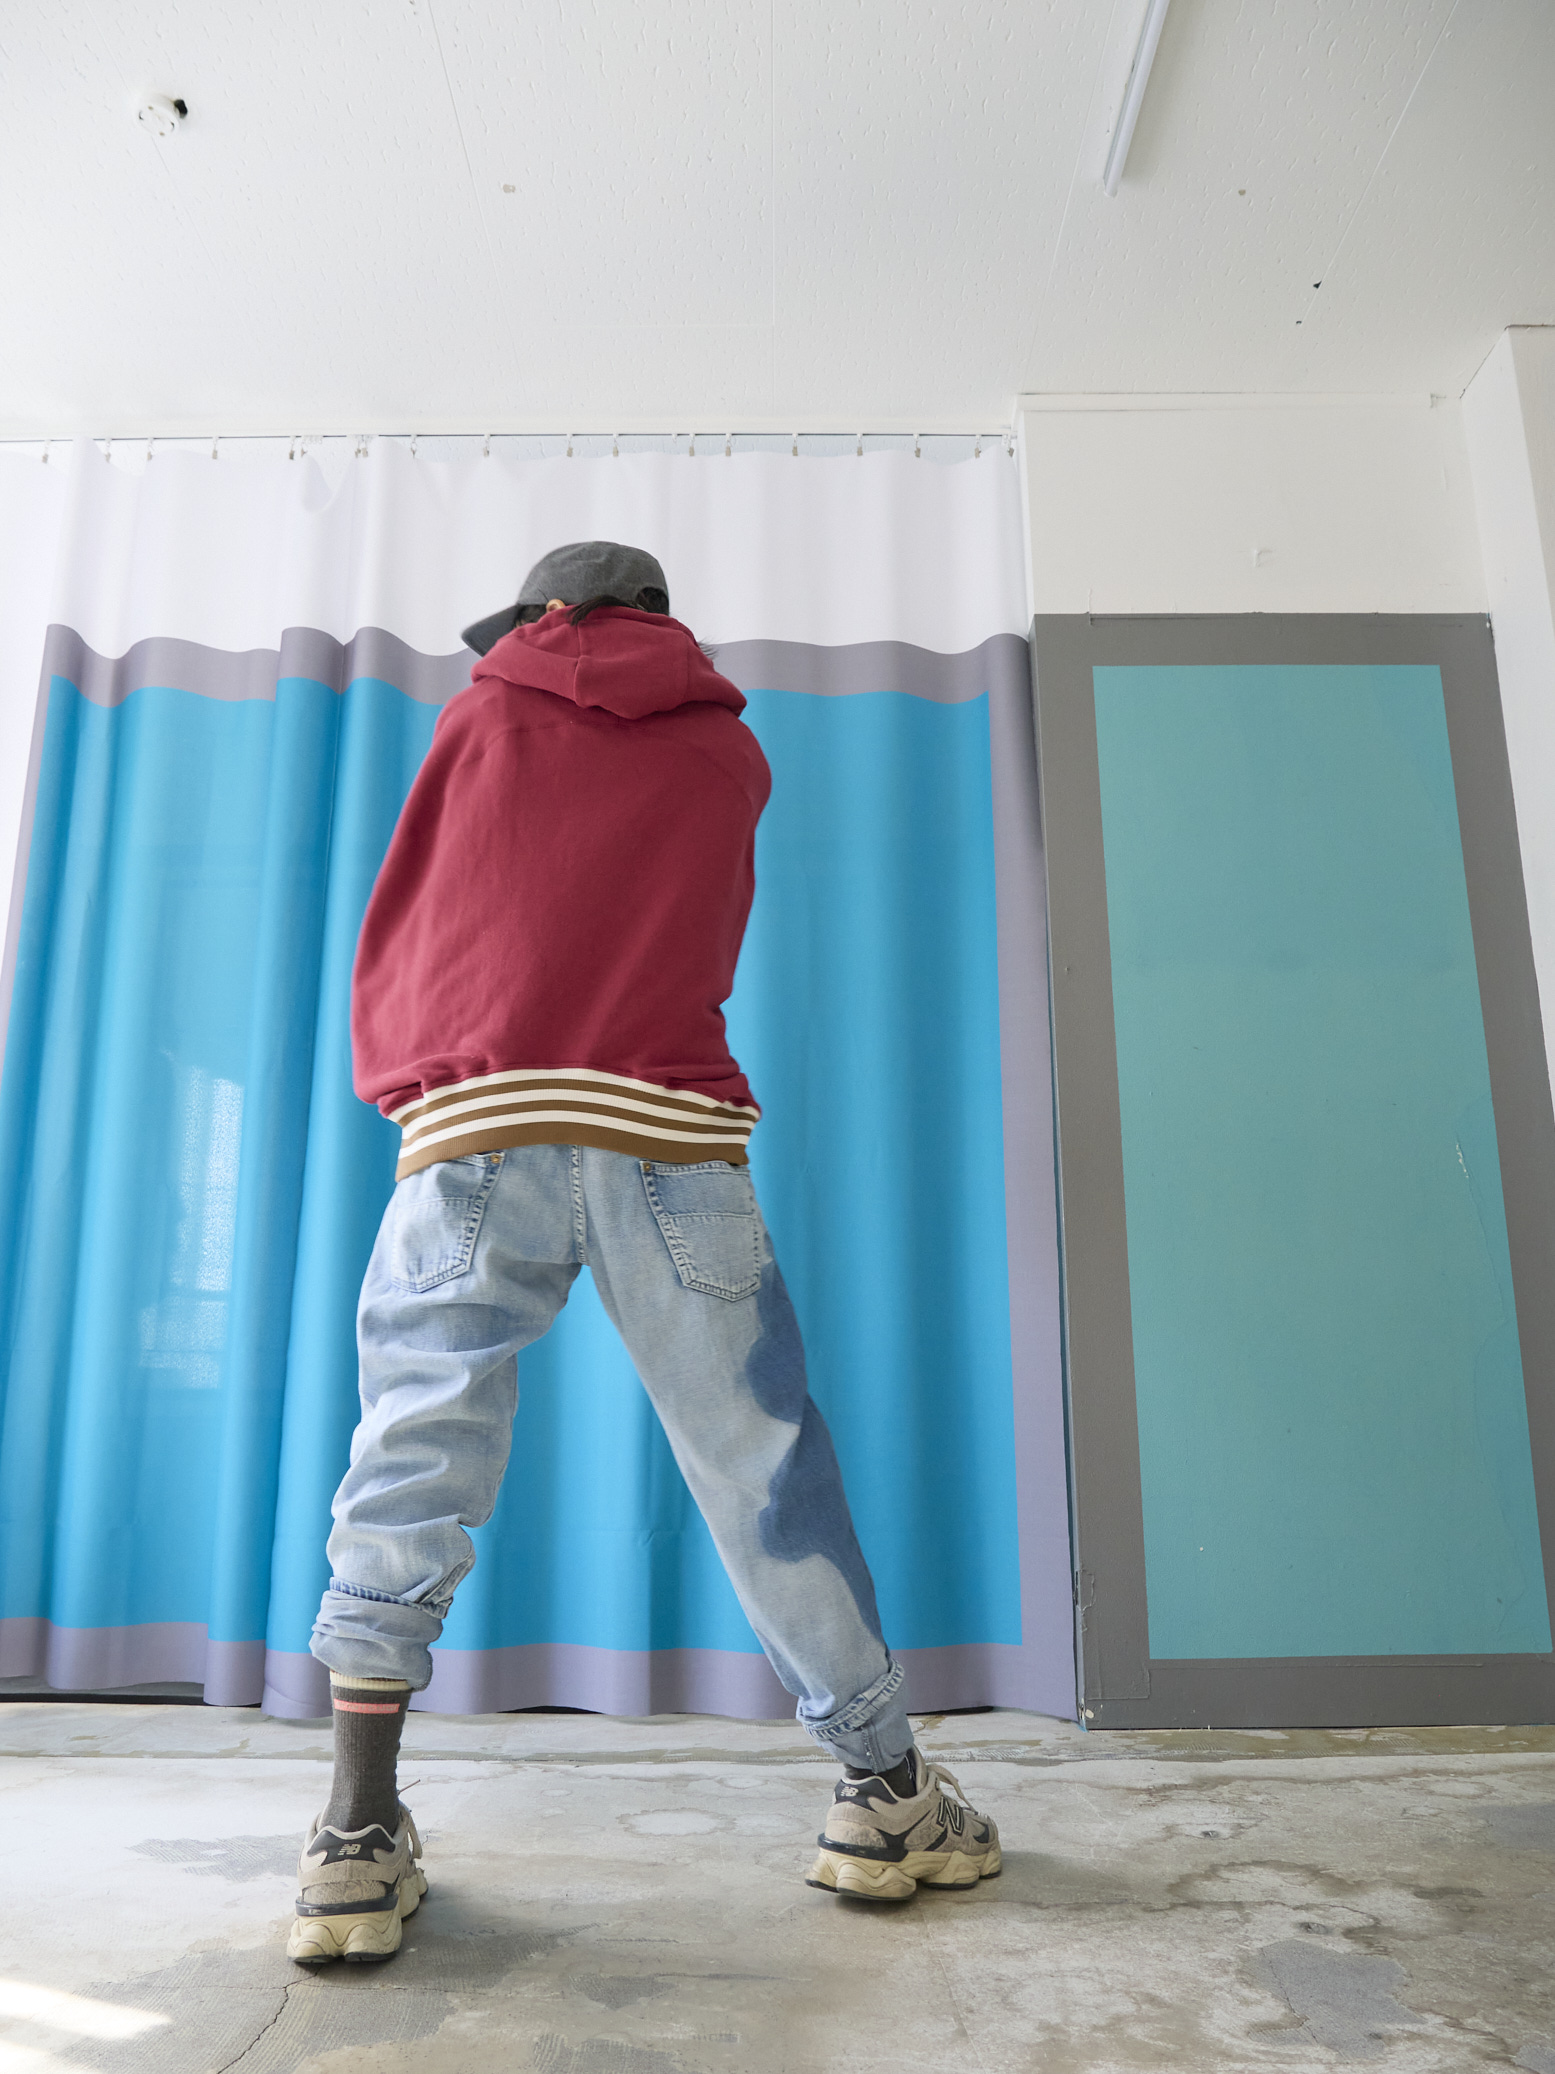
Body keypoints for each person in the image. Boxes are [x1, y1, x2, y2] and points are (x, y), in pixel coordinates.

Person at [288, 541, 999, 1965]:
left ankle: (355, 1837)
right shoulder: (729, 749)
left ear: (544, 616)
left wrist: (420, 1085)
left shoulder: (481, 716)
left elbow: (424, 911)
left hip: (478, 1129)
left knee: (413, 1455)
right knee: (763, 1471)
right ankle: (884, 1797)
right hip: (666, 1129)